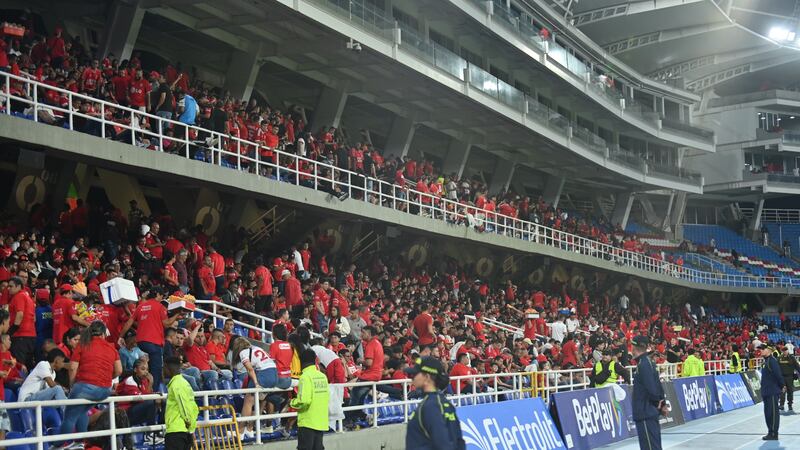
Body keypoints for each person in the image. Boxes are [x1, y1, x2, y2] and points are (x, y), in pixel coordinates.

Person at [57, 321, 122, 450]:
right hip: (105, 390)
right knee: (82, 410)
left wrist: (72, 386)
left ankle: (58, 445)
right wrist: (108, 378)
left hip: (85, 386)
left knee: (69, 415)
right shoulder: (111, 347)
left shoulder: (83, 345)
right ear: (103, 334)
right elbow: (119, 370)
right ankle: (81, 442)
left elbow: (73, 368)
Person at [404, 356, 466, 450]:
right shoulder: (445, 403)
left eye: (415, 374)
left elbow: (442, 444)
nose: (412, 378)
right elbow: (459, 441)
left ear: (427, 377)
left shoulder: (430, 407)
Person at [631, 336, 666, 450]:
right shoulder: (648, 362)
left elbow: (652, 387)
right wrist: (662, 403)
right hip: (648, 411)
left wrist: (657, 403)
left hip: (645, 412)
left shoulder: (643, 364)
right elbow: (658, 384)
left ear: (635, 347)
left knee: (650, 447)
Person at [290, 348, 329, 450]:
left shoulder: (305, 377)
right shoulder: (322, 376)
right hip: (321, 420)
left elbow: (304, 401)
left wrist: (292, 402)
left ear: (301, 361)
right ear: (315, 360)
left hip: (307, 421)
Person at [164, 356, 198, 450]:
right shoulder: (185, 383)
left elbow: (184, 406)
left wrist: (189, 423)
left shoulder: (176, 384)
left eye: (163, 368)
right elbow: (193, 407)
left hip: (175, 432)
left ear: (167, 367)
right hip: (184, 431)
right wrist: (191, 429)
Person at [759, 344, 785, 440]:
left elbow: (778, 374)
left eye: (762, 349)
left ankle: (774, 433)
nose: (760, 350)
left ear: (769, 350)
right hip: (766, 392)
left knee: (773, 414)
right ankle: (770, 432)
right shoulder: (766, 362)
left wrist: (782, 385)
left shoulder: (772, 361)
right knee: (768, 413)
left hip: (772, 392)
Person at [778, 345, 800, 411]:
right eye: (783, 350)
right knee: (782, 391)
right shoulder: (779, 358)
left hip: (790, 377)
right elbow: (776, 368)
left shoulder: (792, 358)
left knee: (790, 391)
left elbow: (797, 366)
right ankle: (781, 405)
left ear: (788, 351)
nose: (785, 351)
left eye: (786, 350)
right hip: (782, 377)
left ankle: (790, 404)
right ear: (782, 351)